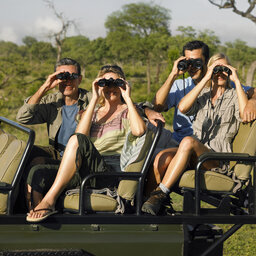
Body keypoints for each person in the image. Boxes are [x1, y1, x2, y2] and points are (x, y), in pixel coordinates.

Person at [26, 64, 146, 222]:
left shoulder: (128, 110)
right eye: (105, 84)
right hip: (87, 169)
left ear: (123, 84)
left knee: (76, 140)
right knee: (37, 172)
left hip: (110, 171)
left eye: (115, 83)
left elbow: (139, 131)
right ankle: (39, 215)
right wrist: (95, 97)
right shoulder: (94, 112)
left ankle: (49, 201)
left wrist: (128, 98)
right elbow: (81, 134)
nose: (111, 88)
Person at [142, 53, 249, 215]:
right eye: (216, 69)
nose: (220, 74)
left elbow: (243, 114)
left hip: (217, 160)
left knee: (188, 141)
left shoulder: (235, 95)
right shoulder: (203, 95)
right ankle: (145, 204)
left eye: (224, 69)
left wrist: (237, 81)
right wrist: (206, 78)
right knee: (161, 158)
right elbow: (183, 107)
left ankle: (160, 194)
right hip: (194, 154)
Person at [152, 40, 256, 144]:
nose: (192, 67)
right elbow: (157, 106)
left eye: (197, 62)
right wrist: (173, 75)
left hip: (202, 144)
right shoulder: (179, 85)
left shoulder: (222, 84)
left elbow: (253, 91)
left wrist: (252, 102)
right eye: (189, 62)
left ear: (207, 62)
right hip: (178, 140)